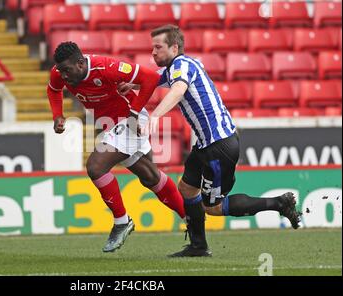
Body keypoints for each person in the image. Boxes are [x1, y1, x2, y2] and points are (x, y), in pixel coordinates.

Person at [119, 25, 302, 257]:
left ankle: (279, 203)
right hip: (208, 144)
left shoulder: (181, 66)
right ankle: (198, 246)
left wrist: (155, 115)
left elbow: (177, 90)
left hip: (219, 146)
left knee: (212, 207)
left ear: (174, 47)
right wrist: (132, 85)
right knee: (186, 187)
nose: (153, 52)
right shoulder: (180, 66)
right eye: (152, 47)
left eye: (158, 47)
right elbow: (155, 80)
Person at [47, 42, 186, 253]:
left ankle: (122, 221)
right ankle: (191, 217)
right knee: (150, 176)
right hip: (109, 126)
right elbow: (53, 89)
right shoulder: (59, 72)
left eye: (67, 70)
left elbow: (150, 78)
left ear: (80, 63)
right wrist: (58, 115)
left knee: (95, 166)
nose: (63, 75)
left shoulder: (105, 67)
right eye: (61, 70)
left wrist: (134, 111)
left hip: (130, 120)